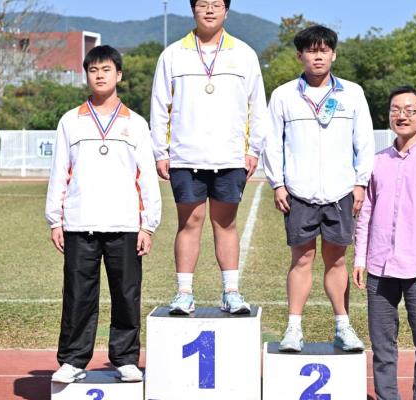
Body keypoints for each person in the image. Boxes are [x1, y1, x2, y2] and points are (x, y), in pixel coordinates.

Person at [45, 45, 161, 383]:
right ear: (86, 75)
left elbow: (146, 177)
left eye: (106, 69)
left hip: (124, 223)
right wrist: (55, 219)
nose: (99, 75)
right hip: (80, 222)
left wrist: (148, 225)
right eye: (93, 70)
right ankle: (73, 360)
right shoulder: (70, 121)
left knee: (126, 294)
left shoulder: (136, 124)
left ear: (118, 75)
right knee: (78, 296)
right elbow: (59, 171)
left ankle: (125, 359)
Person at [150, 0, 266, 315]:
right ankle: (184, 293)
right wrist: (161, 151)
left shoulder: (244, 54)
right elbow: (160, 105)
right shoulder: (173, 54)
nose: (210, 10)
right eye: (203, 4)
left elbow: (257, 105)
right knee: (189, 222)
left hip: (229, 156)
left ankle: (231, 292)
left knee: (225, 223)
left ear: (227, 11)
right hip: (185, 155)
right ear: (193, 10)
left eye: (217, 4)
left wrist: (252, 149)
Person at [263, 25, 374, 352]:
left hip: (341, 192)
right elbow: (272, 142)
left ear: (333, 54)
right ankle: (293, 328)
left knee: (337, 261)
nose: (318, 56)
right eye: (311, 51)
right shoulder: (284, 95)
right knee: (301, 260)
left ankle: (343, 326)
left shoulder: (352, 93)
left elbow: (364, 140)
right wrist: (278, 183)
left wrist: (360, 181)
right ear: (300, 55)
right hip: (299, 192)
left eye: (324, 50)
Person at [353, 86, 416, 400]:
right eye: (396, 110)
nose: (402, 116)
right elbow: (365, 213)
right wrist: (360, 258)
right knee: (382, 345)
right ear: (389, 115)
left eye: (410, 110)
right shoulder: (376, 161)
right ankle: (387, 396)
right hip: (379, 268)